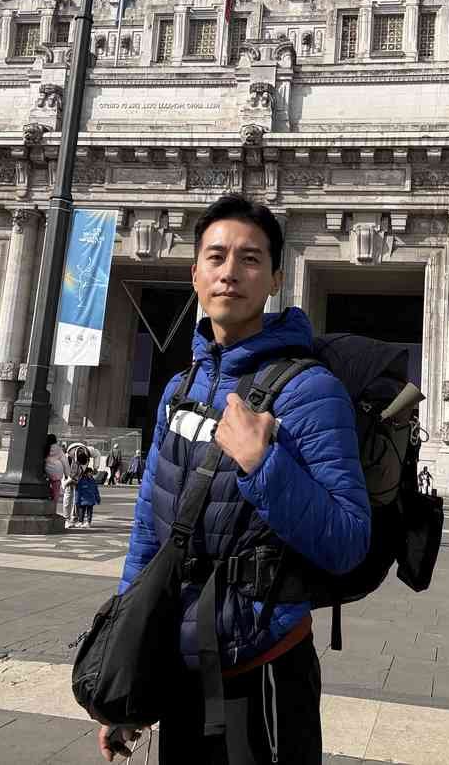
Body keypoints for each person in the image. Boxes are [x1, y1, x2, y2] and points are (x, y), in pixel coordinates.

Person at [104, 194, 369, 765]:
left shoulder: (312, 392)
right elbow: (149, 536)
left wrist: (262, 464)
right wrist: (127, 664)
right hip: (181, 663)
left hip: (264, 666)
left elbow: (349, 540)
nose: (230, 272)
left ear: (275, 278)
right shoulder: (178, 389)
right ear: (194, 274)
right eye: (216, 256)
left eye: (250, 259)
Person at [62, 446, 86, 529]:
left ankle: (74, 518)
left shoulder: (83, 455)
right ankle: (66, 519)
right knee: (68, 499)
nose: (79, 464)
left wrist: (77, 479)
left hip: (76, 479)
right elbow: (66, 472)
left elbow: (81, 470)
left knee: (76, 500)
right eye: (79, 463)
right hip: (68, 479)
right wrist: (67, 481)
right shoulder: (68, 458)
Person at [43, 433, 66, 503]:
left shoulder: (44, 448)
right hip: (57, 474)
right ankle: (53, 506)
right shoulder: (58, 449)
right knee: (56, 492)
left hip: (46, 472)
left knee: (48, 489)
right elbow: (64, 462)